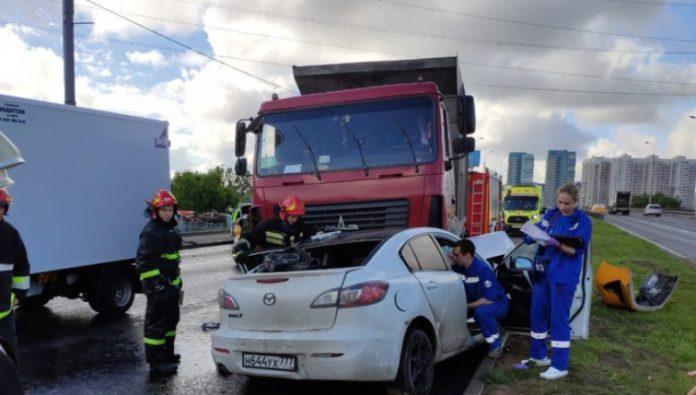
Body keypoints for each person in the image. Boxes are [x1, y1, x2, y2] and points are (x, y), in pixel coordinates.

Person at [515, 183, 592, 380]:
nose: (563, 206)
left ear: (576, 202)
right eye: (559, 202)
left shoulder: (582, 221)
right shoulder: (552, 215)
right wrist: (530, 235)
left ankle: (559, 365)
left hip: (563, 276)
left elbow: (575, 251)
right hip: (543, 273)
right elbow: (535, 233)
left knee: (558, 319)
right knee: (537, 314)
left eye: (567, 203)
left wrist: (556, 244)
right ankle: (538, 355)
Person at [136, 190, 183, 378]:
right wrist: (159, 286)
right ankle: (156, 364)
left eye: (170, 209)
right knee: (156, 325)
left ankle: (168, 356)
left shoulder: (170, 229)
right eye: (164, 210)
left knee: (171, 321)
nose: (167, 213)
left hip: (170, 285)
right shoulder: (151, 231)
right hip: (158, 288)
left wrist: (176, 284)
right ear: (156, 210)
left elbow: (173, 261)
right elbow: (145, 264)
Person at [449, 239, 508, 358]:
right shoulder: (459, 267)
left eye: (456, 255)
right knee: (478, 311)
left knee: (481, 313)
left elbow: (489, 299)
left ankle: (496, 346)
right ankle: (495, 329)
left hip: (497, 304)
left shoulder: (482, 270)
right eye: (452, 254)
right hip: (476, 303)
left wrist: (466, 307)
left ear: (468, 255)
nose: (453, 257)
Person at [232, 195, 316, 261]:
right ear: (284, 214)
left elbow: (315, 235)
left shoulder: (301, 226)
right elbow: (250, 238)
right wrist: (241, 246)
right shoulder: (268, 226)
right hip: (273, 267)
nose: (295, 220)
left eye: (297, 217)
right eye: (292, 216)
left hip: (298, 265)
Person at [0, 189, 30, 360]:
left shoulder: (11, 234)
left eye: (1, 207)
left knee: (8, 357)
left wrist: (19, 294)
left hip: (3, 312)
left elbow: (22, 266)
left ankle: (10, 386)